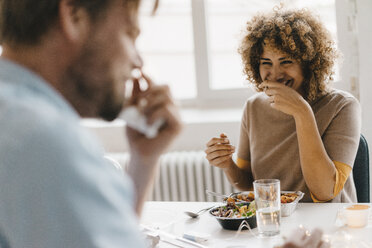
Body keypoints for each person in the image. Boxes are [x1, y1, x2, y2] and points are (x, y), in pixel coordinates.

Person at [0, 0, 182, 247]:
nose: (137, 61)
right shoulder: (44, 140)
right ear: (74, 15)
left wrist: (143, 162)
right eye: (129, 34)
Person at [205, 7, 361, 203]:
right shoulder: (253, 107)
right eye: (266, 62)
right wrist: (227, 163)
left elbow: (326, 191)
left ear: (309, 64)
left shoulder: (342, 106)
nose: (275, 74)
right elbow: (247, 182)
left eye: (286, 61)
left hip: (329, 224)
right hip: (274, 222)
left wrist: (302, 112)